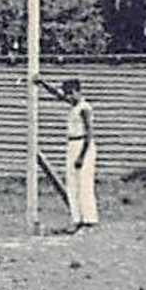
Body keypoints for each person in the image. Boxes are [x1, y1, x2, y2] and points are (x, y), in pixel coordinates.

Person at [37, 75, 97, 231]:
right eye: (67, 93)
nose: (68, 96)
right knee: (72, 184)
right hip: (71, 144)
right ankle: (77, 220)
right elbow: (57, 95)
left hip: (83, 144)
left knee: (84, 183)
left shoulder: (84, 108)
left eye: (71, 93)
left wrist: (82, 156)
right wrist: (43, 83)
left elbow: (90, 133)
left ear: (78, 91)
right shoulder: (73, 105)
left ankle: (88, 221)